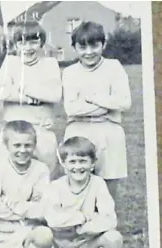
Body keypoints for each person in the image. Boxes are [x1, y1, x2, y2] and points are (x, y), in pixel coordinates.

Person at [62, 21, 131, 202]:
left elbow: (124, 102)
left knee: (108, 187)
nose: (89, 52)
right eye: (82, 47)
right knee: (78, 181)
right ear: (75, 48)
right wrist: (107, 104)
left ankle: (107, 224)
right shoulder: (69, 72)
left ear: (103, 44)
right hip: (79, 129)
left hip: (109, 129)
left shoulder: (114, 67)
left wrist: (92, 98)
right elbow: (71, 108)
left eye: (94, 45)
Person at [0, 120, 54, 248]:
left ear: (34, 145)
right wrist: (28, 208)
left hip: (30, 231)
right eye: (17, 145)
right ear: (6, 145)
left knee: (44, 235)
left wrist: (15, 204)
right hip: (3, 236)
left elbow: (44, 210)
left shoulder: (41, 169)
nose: (23, 150)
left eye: (27, 145)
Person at [45, 136, 123, 248]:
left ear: (93, 164)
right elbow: (52, 220)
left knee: (113, 238)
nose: (78, 167)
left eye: (83, 161)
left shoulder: (98, 184)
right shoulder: (55, 187)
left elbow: (110, 220)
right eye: (72, 162)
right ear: (63, 164)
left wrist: (84, 228)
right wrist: (82, 217)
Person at [0, 21, 62, 177]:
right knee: (7, 174)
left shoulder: (50, 64)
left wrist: (23, 88)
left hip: (41, 128)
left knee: (46, 175)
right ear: (16, 44)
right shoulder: (10, 62)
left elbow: (55, 95)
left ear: (42, 43)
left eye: (34, 42)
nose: (28, 47)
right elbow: (2, 93)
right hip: (13, 127)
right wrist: (33, 99)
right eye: (22, 42)